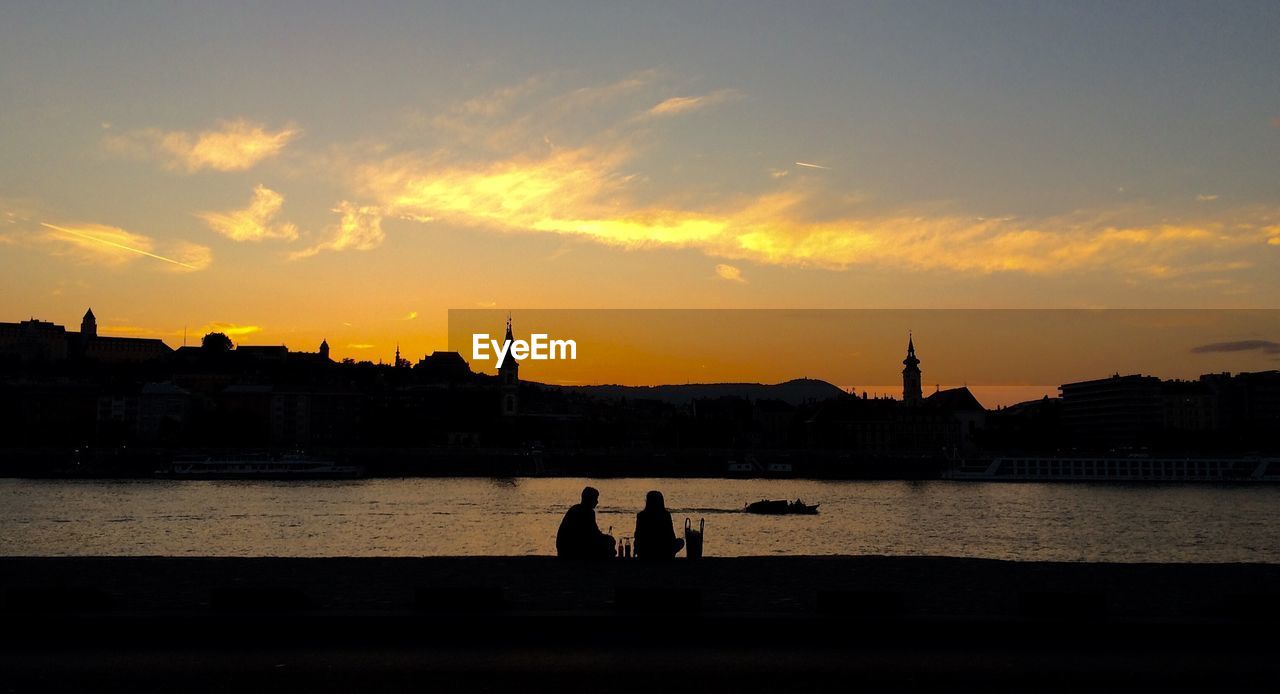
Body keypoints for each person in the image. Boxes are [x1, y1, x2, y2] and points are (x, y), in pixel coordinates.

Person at [556, 486, 616, 559]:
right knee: (609, 544)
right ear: (590, 499)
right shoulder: (588, 512)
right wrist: (608, 538)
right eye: (596, 499)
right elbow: (593, 534)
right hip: (572, 550)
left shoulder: (574, 509)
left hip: (564, 549)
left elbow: (593, 533)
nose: (597, 502)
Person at [633, 490, 684, 560]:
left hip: (645, 552)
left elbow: (637, 535)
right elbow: (671, 536)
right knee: (681, 541)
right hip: (664, 552)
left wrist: (636, 550)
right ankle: (669, 557)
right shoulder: (666, 515)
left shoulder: (641, 515)